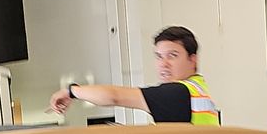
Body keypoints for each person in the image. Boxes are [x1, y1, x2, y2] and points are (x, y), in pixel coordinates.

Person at [48, 26, 221, 125]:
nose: (163, 64)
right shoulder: (198, 89)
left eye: (172, 56)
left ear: (193, 59)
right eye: (159, 57)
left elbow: (113, 97)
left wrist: (71, 91)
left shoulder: (177, 93)